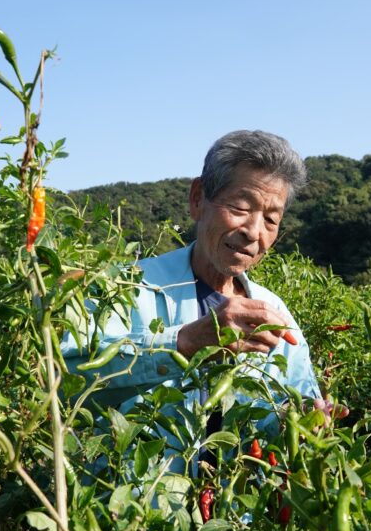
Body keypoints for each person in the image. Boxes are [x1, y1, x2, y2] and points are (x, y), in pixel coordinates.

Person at [64, 129, 320, 414]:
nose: (254, 231)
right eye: (240, 206)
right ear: (197, 199)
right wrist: (186, 342)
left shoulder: (274, 312)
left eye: (271, 220)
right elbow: (64, 384)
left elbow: (297, 398)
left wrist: (303, 418)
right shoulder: (124, 287)